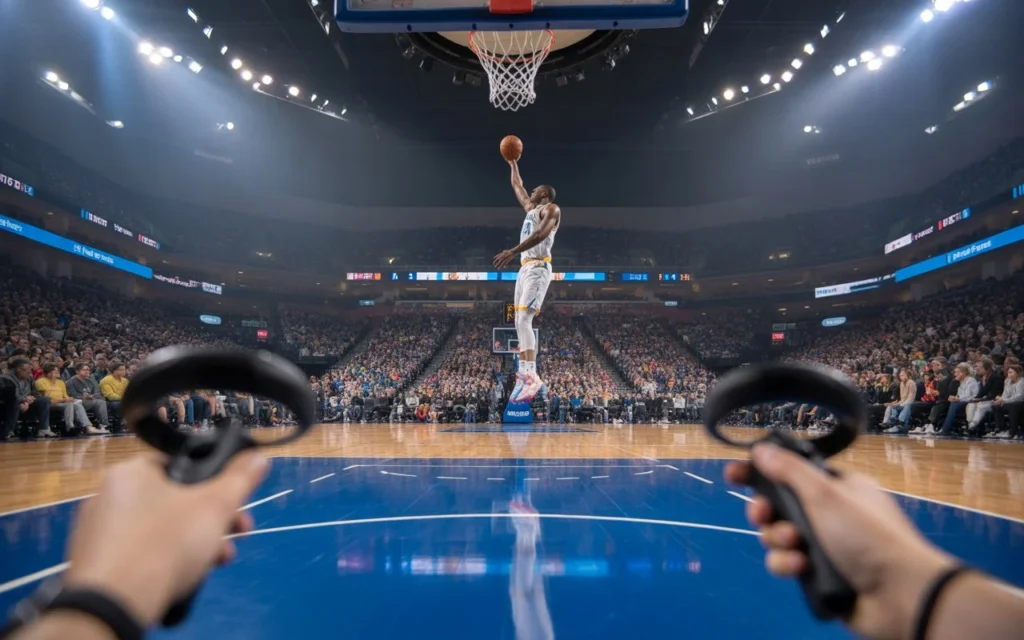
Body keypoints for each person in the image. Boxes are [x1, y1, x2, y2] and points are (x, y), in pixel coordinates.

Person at [493, 158, 561, 405]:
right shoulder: (531, 209)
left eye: (534, 191)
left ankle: (532, 374)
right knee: (518, 319)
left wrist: (512, 250)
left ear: (543, 194)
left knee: (524, 318)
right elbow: (518, 186)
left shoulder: (552, 209)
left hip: (539, 266)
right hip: (524, 269)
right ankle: (525, 373)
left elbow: (541, 234)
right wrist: (513, 163)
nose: (529, 192)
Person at [35, 363, 104, 435]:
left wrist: (70, 398)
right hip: (50, 404)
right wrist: (62, 400)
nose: (58, 372)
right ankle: (70, 427)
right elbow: (44, 398)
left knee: (77, 405)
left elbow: (65, 396)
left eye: (58, 370)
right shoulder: (40, 382)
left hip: (62, 402)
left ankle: (88, 427)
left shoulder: (60, 382)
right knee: (69, 405)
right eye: (55, 371)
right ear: (49, 373)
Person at [2, 357, 54, 439]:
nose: (30, 371)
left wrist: (30, 400)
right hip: (9, 405)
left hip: (27, 404)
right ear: (19, 370)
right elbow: (10, 396)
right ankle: (9, 431)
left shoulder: (29, 379)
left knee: (45, 400)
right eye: (27, 369)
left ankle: (43, 429)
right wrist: (24, 400)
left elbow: (36, 394)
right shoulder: (6, 378)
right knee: (14, 402)